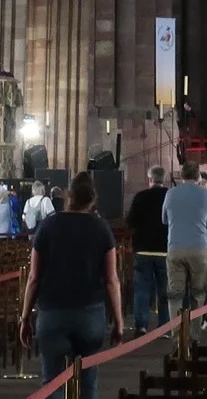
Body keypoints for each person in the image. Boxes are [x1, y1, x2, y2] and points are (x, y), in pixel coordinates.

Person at [22, 171, 121, 399]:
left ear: (69, 195)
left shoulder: (48, 226)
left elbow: (34, 278)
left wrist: (25, 317)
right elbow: (111, 279)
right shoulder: (101, 228)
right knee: (87, 384)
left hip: (52, 313)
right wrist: (118, 321)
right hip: (89, 313)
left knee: (53, 384)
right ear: (92, 198)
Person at [162, 160, 207, 315]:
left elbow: (164, 219)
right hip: (199, 247)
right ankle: (195, 335)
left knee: (175, 295)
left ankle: (177, 336)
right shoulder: (205, 194)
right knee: (198, 294)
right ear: (198, 175)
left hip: (175, 247)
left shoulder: (170, 193)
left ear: (181, 175)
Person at [125, 165, 169, 330]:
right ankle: (164, 326)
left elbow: (130, 222)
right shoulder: (169, 195)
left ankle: (141, 325)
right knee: (164, 291)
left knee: (142, 290)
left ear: (150, 179)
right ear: (163, 179)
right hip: (164, 249)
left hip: (143, 248)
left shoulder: (140, 197)